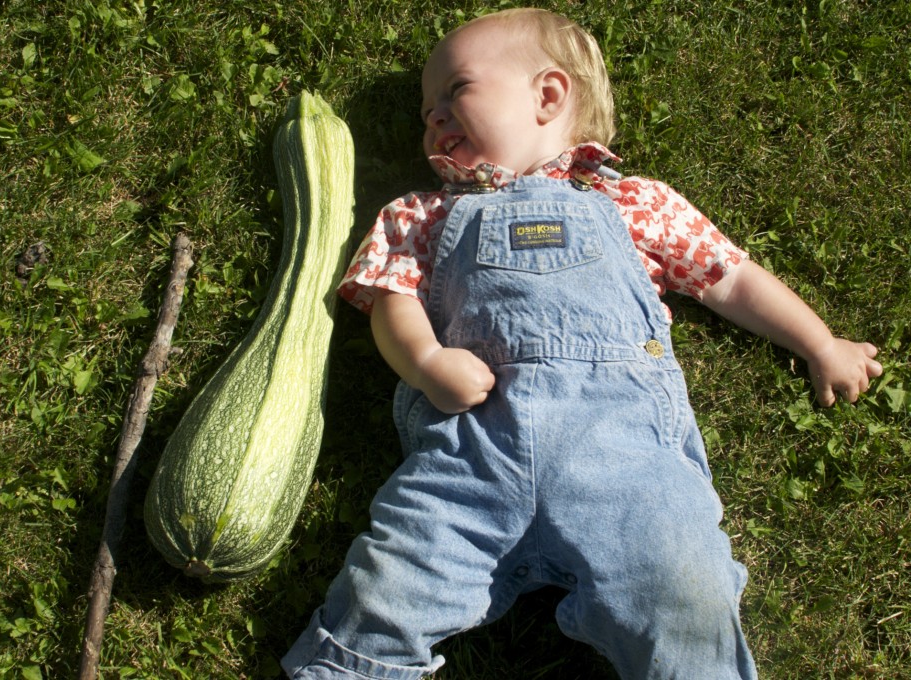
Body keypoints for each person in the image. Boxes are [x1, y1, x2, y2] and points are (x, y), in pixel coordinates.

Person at [282, 8, 883, 679]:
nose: (433, 119)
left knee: (684, 589)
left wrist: (819, 343)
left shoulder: (637, 203)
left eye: (455, 92)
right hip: (468, 462)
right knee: (382, 591)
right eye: (427, 111)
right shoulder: (418, 215)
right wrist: (424, 362)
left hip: (627, 464)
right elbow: (392, 301)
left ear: (548, 96)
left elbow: (730, 279)